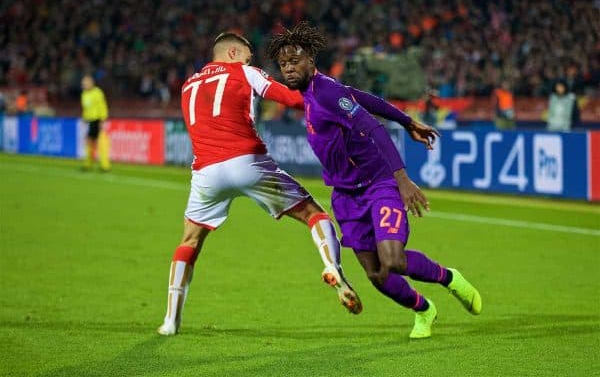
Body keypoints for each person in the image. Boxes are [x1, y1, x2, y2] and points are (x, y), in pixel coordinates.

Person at [267, 22, 482, 339]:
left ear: (311, 61)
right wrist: (407, 120)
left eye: (295, 61)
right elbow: (366, 99)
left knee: (393, 260)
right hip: (345, 194)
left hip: (379, 183)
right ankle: (424, 310)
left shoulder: (326, 92)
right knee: (377, 275)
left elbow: (373, 126)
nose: (288, 68)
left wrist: (402, 180)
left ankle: (449, 278)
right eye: (284, 64)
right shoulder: (315, 93)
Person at [157, 32, 363, 336]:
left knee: (189, 241)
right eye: (247, 56)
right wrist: (317, 84)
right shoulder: (243, 71)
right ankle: (334, 266)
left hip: (206, 172)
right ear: (231, 54)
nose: (251, 62)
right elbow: (290, 97)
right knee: (313, 213)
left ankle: (170, 320)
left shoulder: (188, 85)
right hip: (247, 161)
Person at [80, 75, 110, 171]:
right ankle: (88, 164)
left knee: (101, 143)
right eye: (83, 83)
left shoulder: (97, 93)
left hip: (97, 120)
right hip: (89, 121)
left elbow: (103, 106)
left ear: (91, 83)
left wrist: (102, 119)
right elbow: (85, 108)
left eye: (86, 83)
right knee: (89, 144)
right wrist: (84, 118)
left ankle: (105, 166)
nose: (84, 85)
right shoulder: (84, 94)